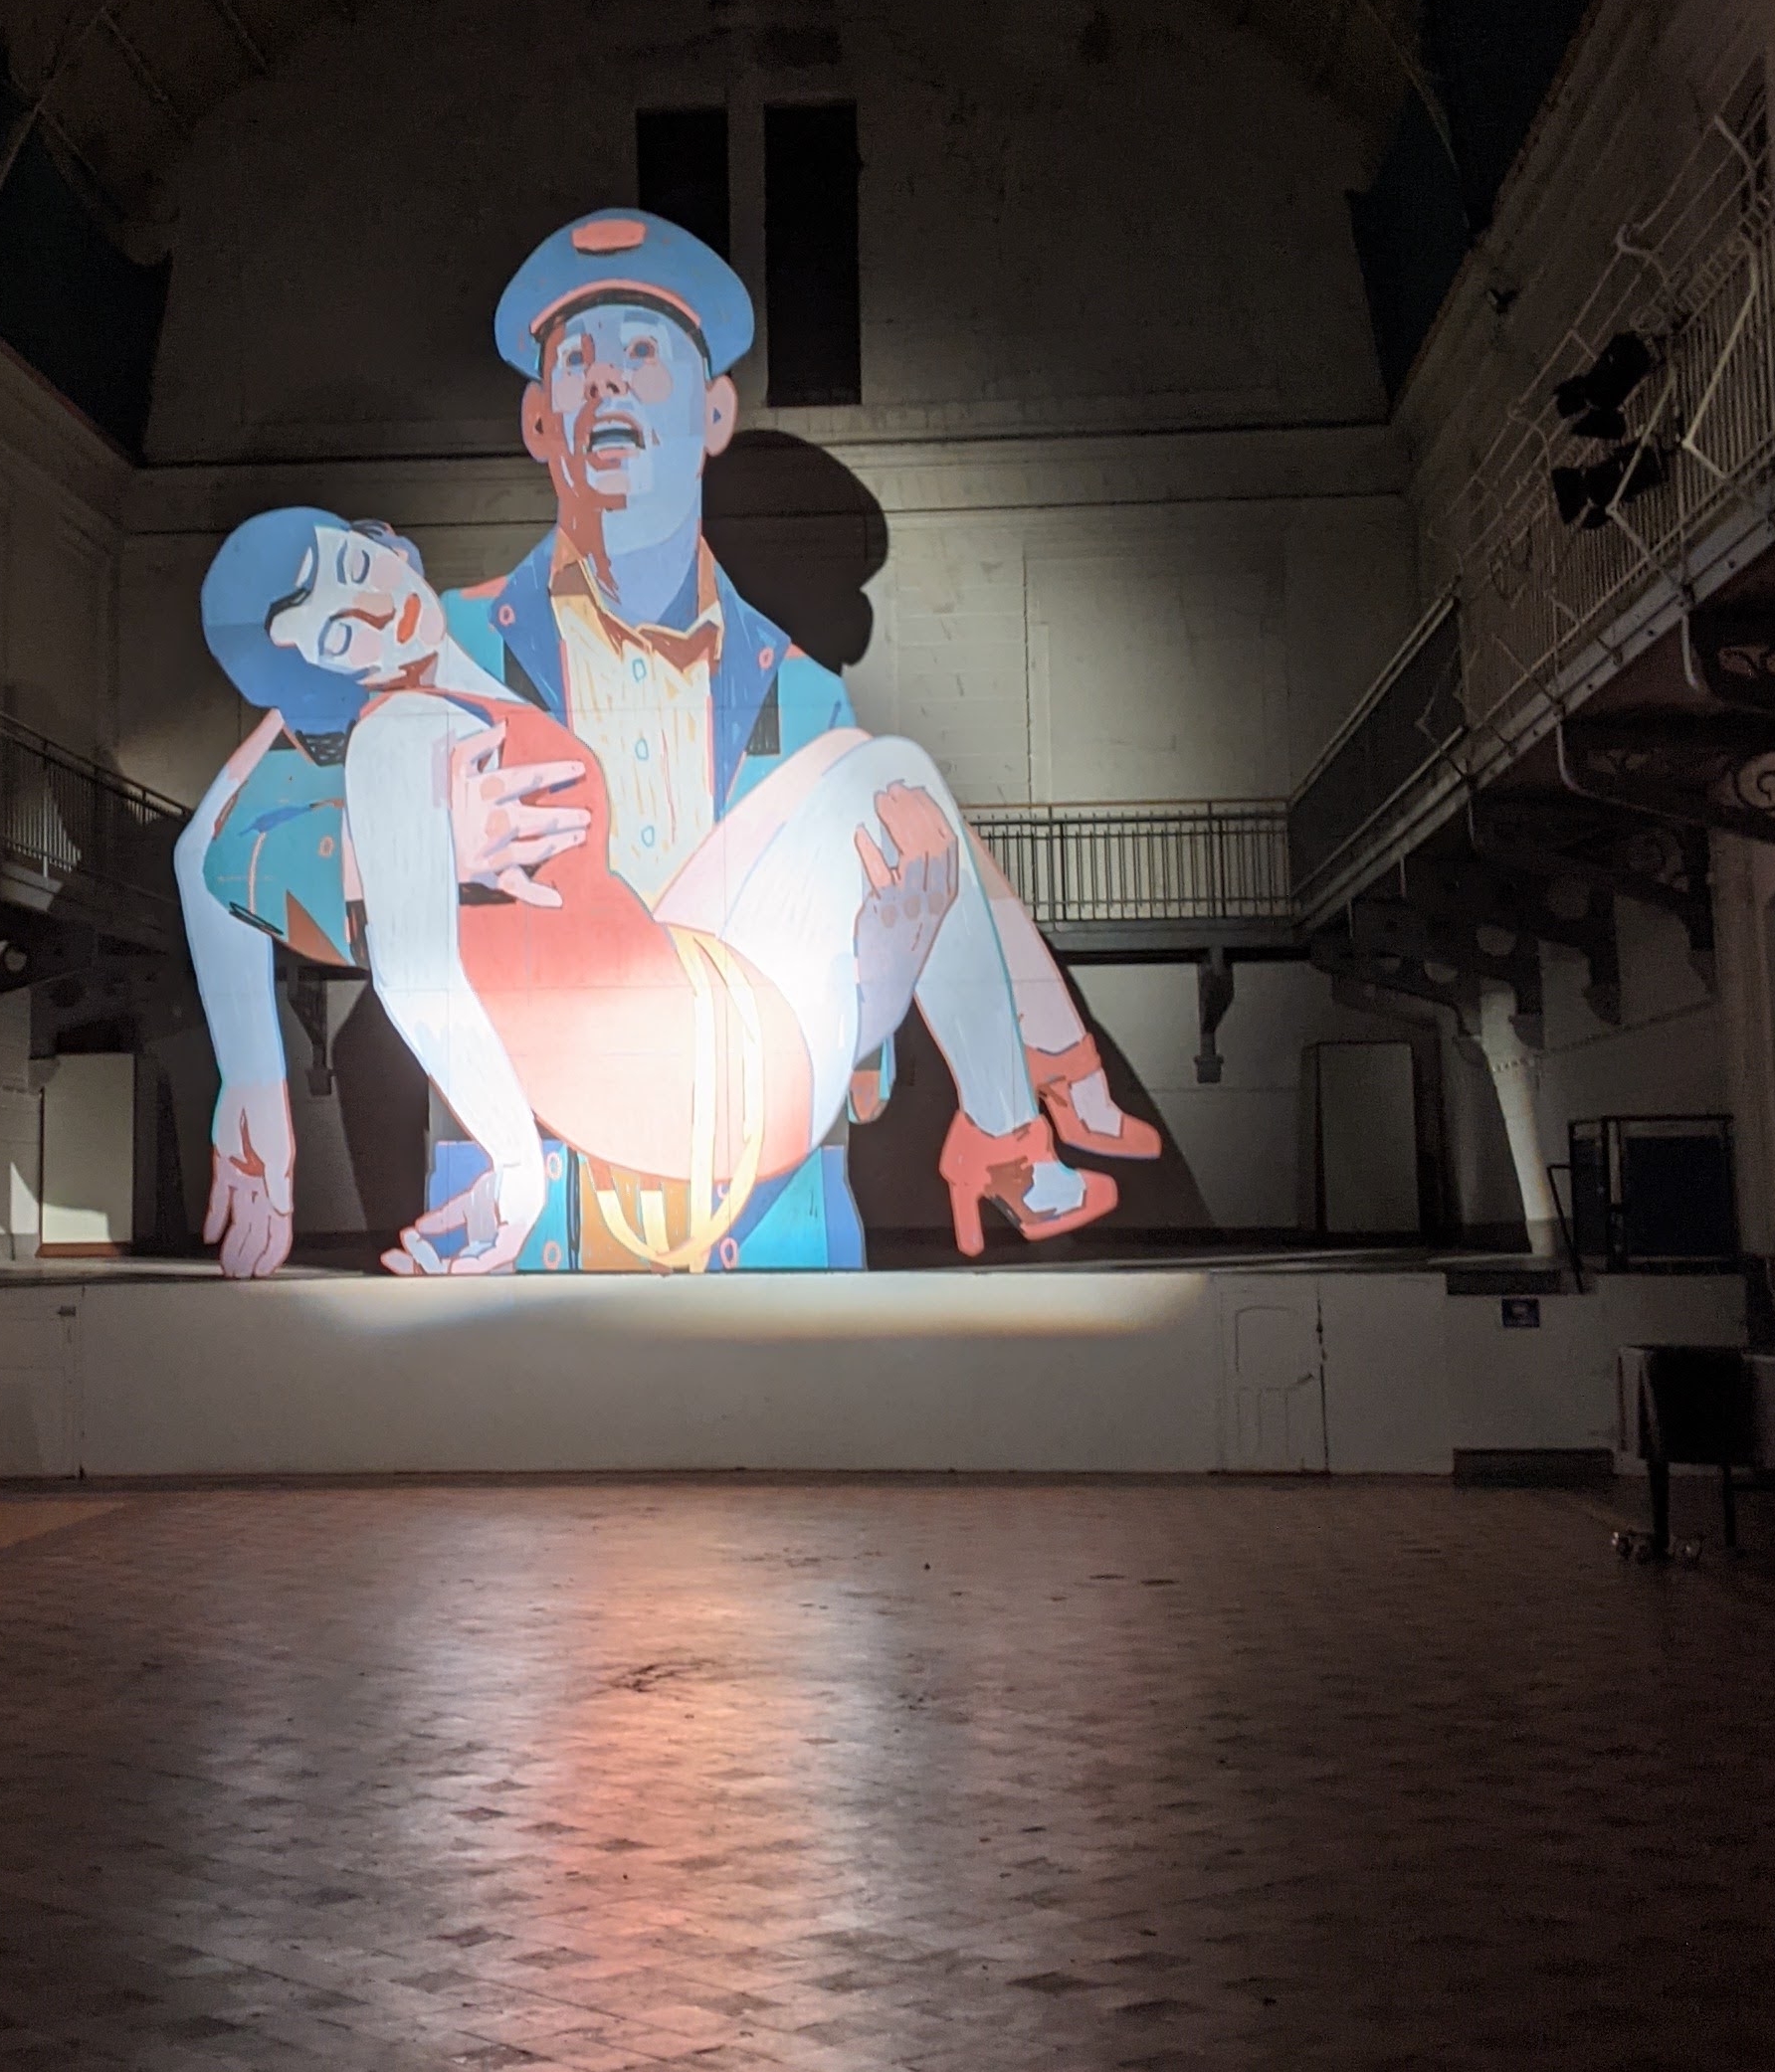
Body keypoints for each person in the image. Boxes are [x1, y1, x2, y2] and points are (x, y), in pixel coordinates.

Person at [180, 205, 1155, 1275]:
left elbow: (895, 966)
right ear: (538, 421)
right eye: (576, 361)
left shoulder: (801, 693)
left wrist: (901, 981)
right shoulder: (424, 659)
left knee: (897, 787)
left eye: (643, 352)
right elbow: (224, 848)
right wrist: (389, 867)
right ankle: (1018, 1125)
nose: (607, 379)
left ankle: (1022, 1111)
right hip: (537, 1221)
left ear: (714, 410)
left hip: (768, 1217)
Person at [177, 509, 1119, 1273]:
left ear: (379, 542)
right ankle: (1007, 1133)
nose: (378, 611)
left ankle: (1013, 1116)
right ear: (331, 675)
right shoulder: (398, 738)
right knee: (897, 773)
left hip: (675, 995)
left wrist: (252, 1080)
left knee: (864, 761)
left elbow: (194, 849)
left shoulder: (454, 667)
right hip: (701, 1087)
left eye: (356, 567)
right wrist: (514, 1172)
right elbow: (413, 977)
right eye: (341, 633)